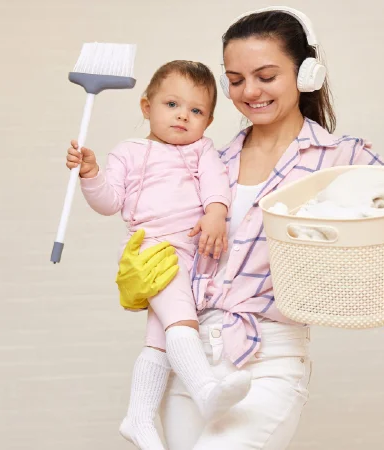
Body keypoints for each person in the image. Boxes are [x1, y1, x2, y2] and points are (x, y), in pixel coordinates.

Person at [111, 7, 384, 450]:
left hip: (267, 360)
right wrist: (143, 280)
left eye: (266, 75)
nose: (250, 91)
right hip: (186, 358)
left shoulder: (338, 158)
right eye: (235, 79)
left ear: (306, 74)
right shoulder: (208, 161)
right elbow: (163, 232)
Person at [65, 60, 256, 450]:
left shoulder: (202, 151)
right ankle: (205, 389)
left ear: (209, 120)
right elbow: (108, 201)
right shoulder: (129, 152)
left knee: (158, 341)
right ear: (146, 106)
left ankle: (138, 418)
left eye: (196, 110)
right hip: (155, 252)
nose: (183, 115)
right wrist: (90, 174)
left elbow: (217, 185)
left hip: (193, 255)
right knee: (182, 322)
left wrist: (216, 213)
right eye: (172, 104)